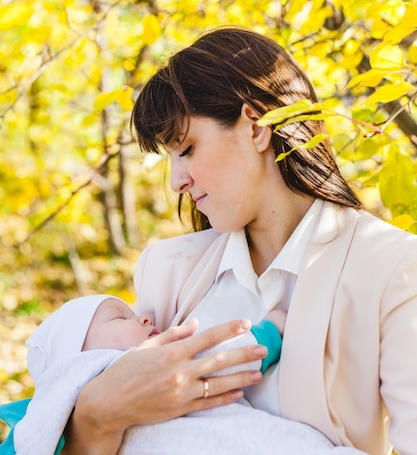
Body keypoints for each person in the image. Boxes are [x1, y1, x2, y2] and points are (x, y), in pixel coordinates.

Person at [16, 26, 417, 455]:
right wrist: (96, 415)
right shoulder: (168, 270)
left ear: (258, 124)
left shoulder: (393, 270)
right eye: (169, 159)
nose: (175, 182)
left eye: (186, 149)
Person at [13, 295, 364, 455]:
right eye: (120, 319)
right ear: (79, 353)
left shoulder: (52, 421)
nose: (145, 319)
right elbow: (213, 356)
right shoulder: (93, 370)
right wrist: (268, 333)